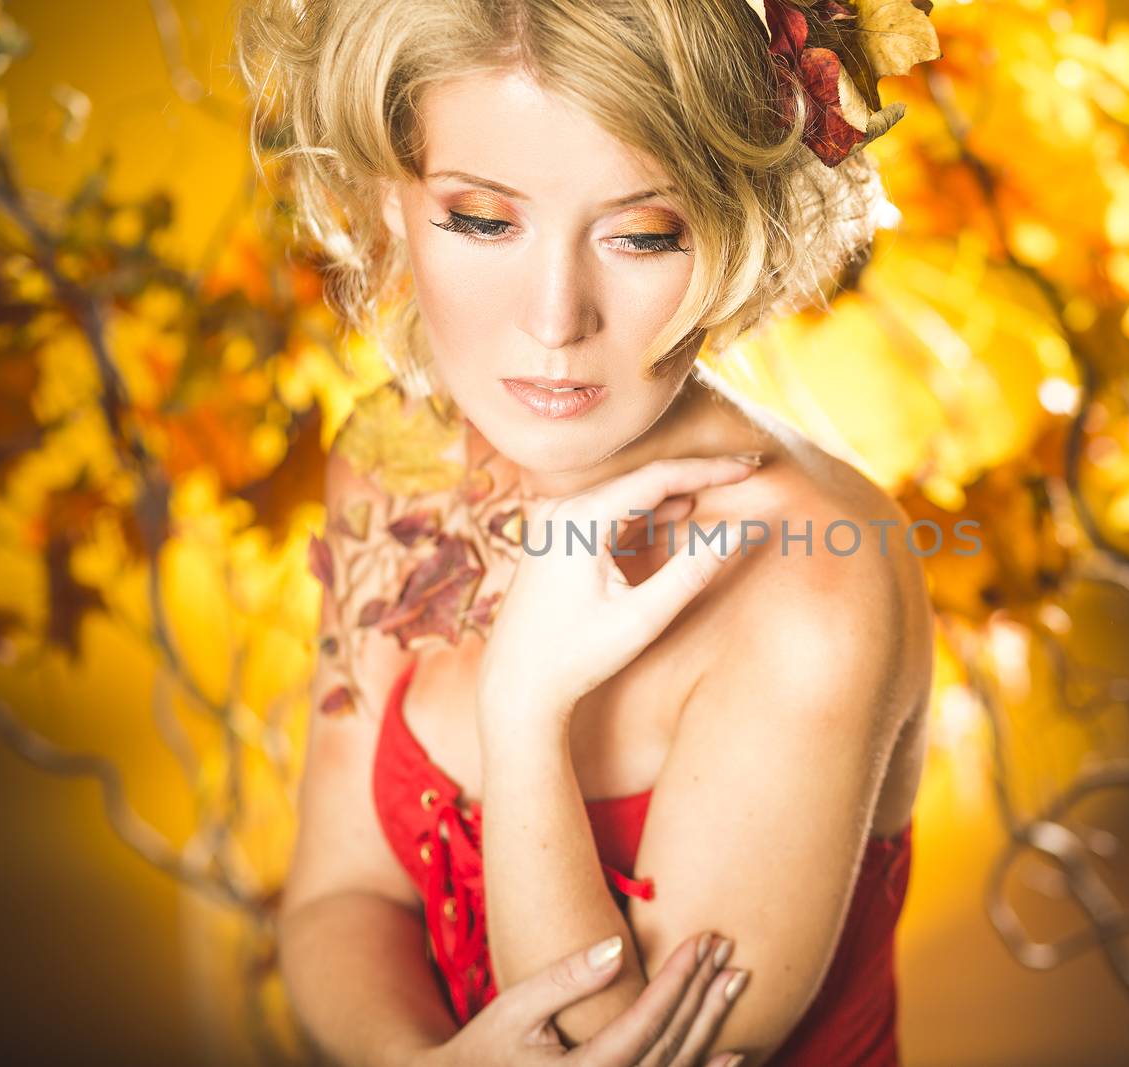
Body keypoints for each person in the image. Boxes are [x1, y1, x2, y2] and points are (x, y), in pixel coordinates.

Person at [237, 2, 939, 1065]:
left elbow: (628, 1048)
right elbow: (338, 895)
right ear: (392, 196)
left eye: (642, 233)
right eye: (482, 219)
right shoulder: (391, 464)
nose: (556, 319)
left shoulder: (819, 583)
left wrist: (524, 709)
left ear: (735, 227)